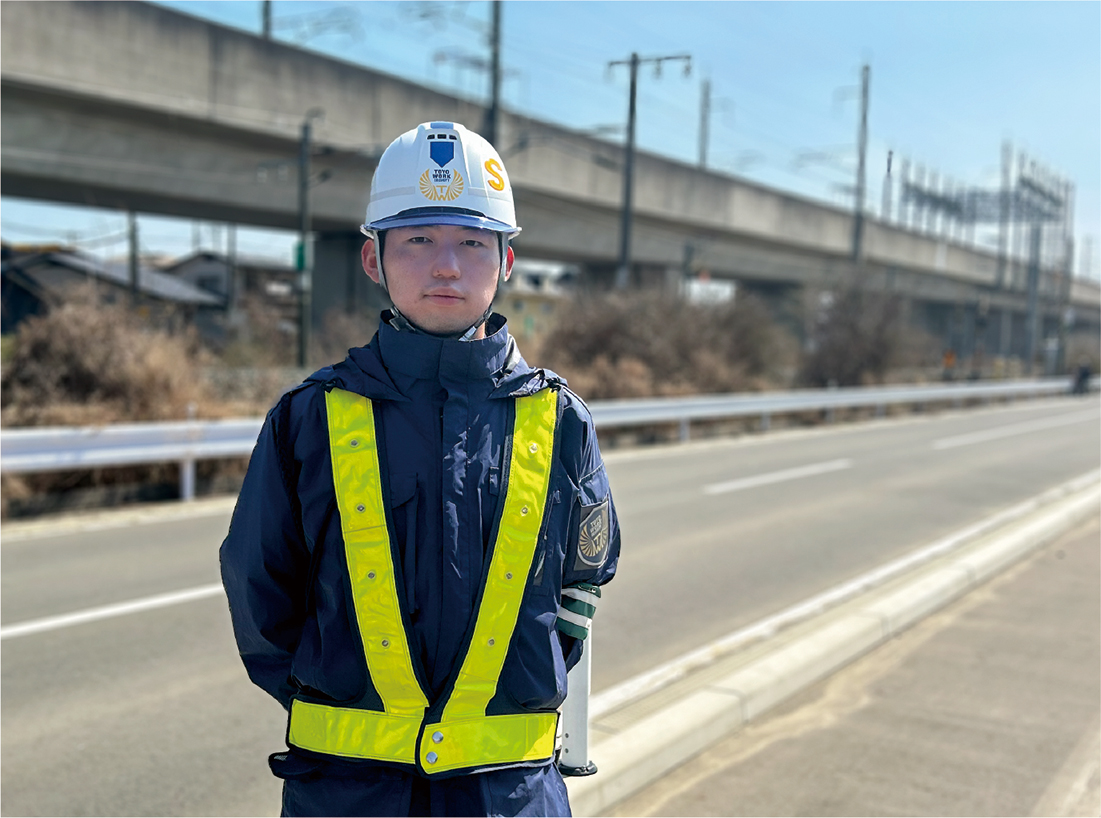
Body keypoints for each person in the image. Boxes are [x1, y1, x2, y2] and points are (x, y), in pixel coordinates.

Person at [219, 121, 621, 818]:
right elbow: (262, 595)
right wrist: (343, 705)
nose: (446, 266)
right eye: (417, 240)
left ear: (507, 260)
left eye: (471, 242)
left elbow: (578, 590)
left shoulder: (558, 422)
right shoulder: (310, 417)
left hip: (509, 792)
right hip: (344, 792)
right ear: (373, 258)